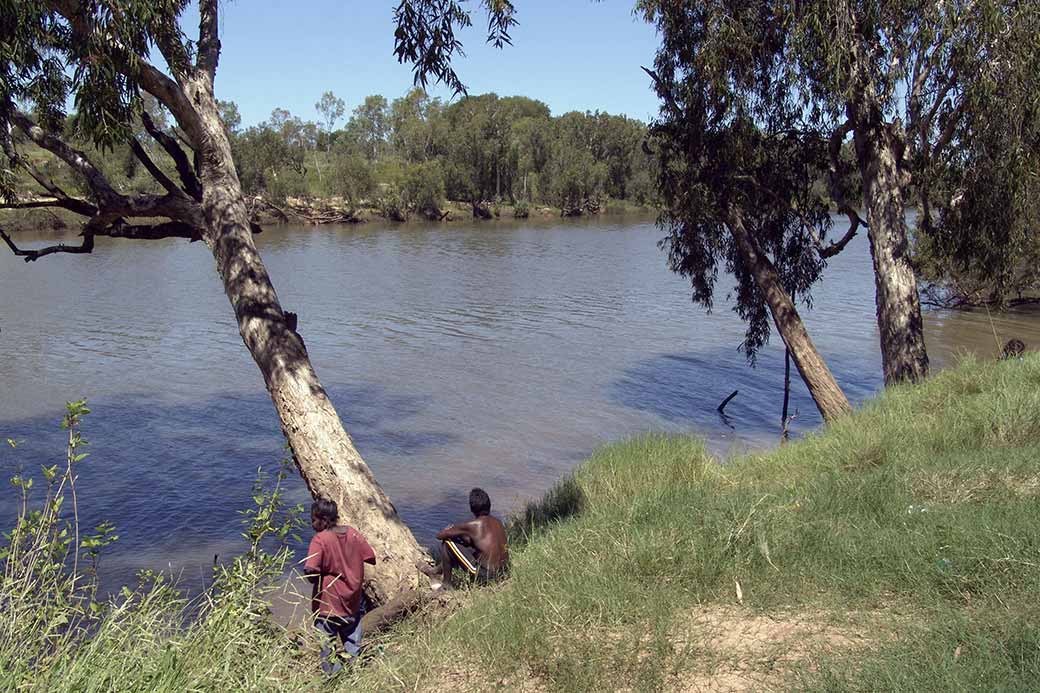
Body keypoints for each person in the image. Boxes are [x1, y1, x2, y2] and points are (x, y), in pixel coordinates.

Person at [303, 498, 376, 674]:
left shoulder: (320, 539)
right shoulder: (353, 534)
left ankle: (333, 679)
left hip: (328, 604)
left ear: (323, 519)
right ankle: (352, 675)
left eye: (313, 520)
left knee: (327, 647)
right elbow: (370, 557)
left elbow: (310, 570)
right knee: (352, 642)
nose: (312, 524)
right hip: (352, 602)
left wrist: (318, 576)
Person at [427, 487, 509, 588]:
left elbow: (440, 535)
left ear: (471, 508)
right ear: (489, 505)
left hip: (485, 576)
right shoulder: (498, 523)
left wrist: (450, 530)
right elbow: (482, 544)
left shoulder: (473, 525)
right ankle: (437, 571)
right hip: (504, 573)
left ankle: (446, 584)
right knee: (465, 544)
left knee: (448, 543)